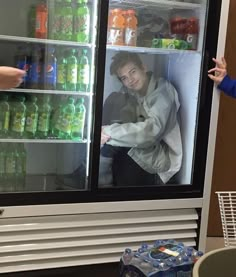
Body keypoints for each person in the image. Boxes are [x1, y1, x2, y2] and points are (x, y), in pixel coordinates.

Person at [99, 52, 183, 186]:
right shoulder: (133, 92)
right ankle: (98, 172)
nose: (130, 80)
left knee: (116, 139)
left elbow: (150, 133)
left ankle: (100, 177)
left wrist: (108, 132)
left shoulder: (162, 92)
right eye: (124, 78)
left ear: (143, 67)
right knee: (113, 100)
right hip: (145, 151)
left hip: (161, 164)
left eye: (133, 72)